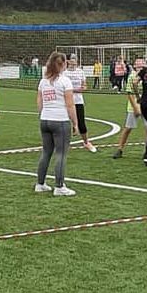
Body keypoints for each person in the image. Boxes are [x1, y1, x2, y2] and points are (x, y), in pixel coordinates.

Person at [35, 52, 79, 196]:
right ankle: (59, 186)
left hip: (45, 119)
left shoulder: (43, 81)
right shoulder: (64, 81)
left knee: (46, 152)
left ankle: (40, 183)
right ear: (62, 64)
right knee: (61, 153)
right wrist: (75, 123)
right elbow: (70, 104)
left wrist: (43, 115)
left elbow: (39, 102)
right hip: (60, 120)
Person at [111, 56, 147, 159]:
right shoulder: (132, 76)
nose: (140, 64)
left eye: (142, 62)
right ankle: (120, 149)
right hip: (133, 106)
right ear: (134, 65)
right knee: (128, 128)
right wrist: (135, 107)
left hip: (146, 105)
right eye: (137, 63)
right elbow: (130, 93)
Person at [64, 55, 97, 152]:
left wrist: (82, 88)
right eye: (72, 59)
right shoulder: (64, 73)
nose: (73, 62)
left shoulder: (81, 72)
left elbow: (84, 86)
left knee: (81, 122)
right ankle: (61, 143)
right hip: (66, 101)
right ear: (68, 61)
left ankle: (86, 142)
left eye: (75, 59)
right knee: (63, 122)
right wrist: (72, 90)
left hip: (78, 101)